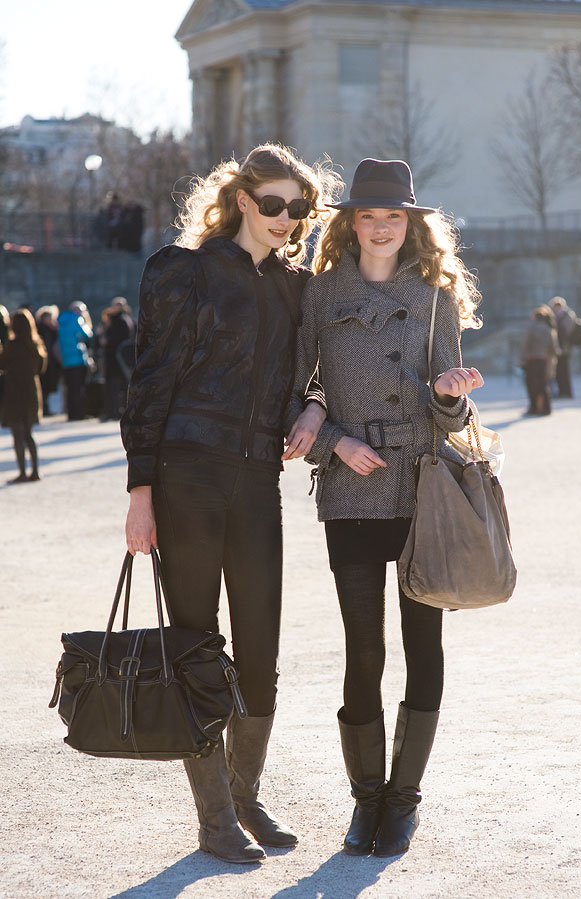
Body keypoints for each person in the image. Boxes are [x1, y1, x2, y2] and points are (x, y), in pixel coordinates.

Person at [121, 144, 337, 864]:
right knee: (194, 641)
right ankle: (215, 816)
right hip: (186, 476)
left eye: (298, 208)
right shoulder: (182, 272)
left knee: (261, 648)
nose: (285, 219)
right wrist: (140, 491)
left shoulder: (295, 288)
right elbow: (149, 382)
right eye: (273, 203)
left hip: (255, 483)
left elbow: (321, 368)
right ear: (243, 199)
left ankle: (244, 792)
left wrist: (312, 405)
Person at [283, 159, 483, 858]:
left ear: (412, 223)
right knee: (362, 648)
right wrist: (333, 441)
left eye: (393, 215)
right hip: (350, 493)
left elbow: (451, 414)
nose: (380, 226)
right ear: (350, 223)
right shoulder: (317, 292)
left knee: (422, 645)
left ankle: (404, 799)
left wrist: (452, 393)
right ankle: (366, 798)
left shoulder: (433, 295)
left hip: (419, 488)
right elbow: (296, 390)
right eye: (368, 215)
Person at [0, 308, 47, 483]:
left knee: (17, 434)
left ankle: (22, 472)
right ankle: (34, 471)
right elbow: (41, 368)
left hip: (14, 392)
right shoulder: (36, 345)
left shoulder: (12, 346)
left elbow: (1, 363)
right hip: (31, 391)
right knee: (28, 433)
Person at [101, 297, 136, 420]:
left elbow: (120, 338)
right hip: (120, 357)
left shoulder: (120, 320)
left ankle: (115, 411)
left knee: (117, 386)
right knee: (118, 385)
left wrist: (107, 341)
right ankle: (115, 410)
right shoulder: (126, 319)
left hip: (117, 357)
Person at [57, 301, 93, 420]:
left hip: (65, 359)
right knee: (79, 387)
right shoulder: (77, 320)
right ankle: (79, 413)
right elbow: (87, 335)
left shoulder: (61, 321)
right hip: (78, 358)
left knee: (70, 387)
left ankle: (71, 413)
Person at [521, 305, 559, 416]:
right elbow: (554, 348)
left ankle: (534, 407)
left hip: (532, 360)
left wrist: (523, 360)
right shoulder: (549, 329)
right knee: (543, 385)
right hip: (544, 360)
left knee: (531, 385)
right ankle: (546, 408)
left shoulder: (532, 328)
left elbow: (525, 346)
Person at [35, 305, 62, 415]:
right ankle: (43, 409)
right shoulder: (40, 329)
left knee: (48, 386)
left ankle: (46, 408)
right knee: (43, 386)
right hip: (43, 361)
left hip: (51, 362)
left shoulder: (53, 330)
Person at [549, 296, 578, 398]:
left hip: (565, 348)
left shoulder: (567, 316)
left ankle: (566, 392)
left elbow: (567, 331)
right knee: (558, 371)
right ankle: (561, 391)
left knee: (564, 370)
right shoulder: (556, 317)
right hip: (559, 347)